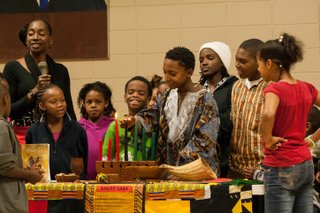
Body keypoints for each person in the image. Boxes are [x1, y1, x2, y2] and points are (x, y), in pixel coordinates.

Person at [257, 33, 320, 213]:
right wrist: (313, 140)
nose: (259, 70)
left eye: (259, 65)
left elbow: (268, 113)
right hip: (305, 165)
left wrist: (267, 139)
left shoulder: (274, 88)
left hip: (281, 165)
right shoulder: (307, 87)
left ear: (269, 63)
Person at [3, 19, 76, 144]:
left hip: (57, 135)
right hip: (23, 136)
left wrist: (75, 133)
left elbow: (68, 108)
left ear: (50, 40)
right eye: (31, 34)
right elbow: (8, 111)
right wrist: (34, 92)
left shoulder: (61, 71)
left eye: (41, 34)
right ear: (26, 40)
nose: (35, 37)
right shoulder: (12, 67)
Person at [157, 46, 220, 175]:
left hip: (197, 173)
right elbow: (152, 117)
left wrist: (183, 164)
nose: (167, 77)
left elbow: (205, 139)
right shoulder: (165, 97)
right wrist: (135, 121)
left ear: (189, 72)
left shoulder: (205, 100)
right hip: (170, 172)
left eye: (172, 74)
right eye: (165, 72)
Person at [26, 83, 88, 213]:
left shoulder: (77, 129)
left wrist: (78, 179)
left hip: (71, 196)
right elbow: (30, 165)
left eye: (62, 100)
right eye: (53, 101)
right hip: (45, 196)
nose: (60, 104)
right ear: (42, 106)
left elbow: (83, 164)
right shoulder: (34, 131)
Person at [0, 73, 43, 213]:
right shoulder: (1, 126)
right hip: (6, 202)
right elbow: (5, 167)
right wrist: (30, 175)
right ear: (5, 100)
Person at [227, 39, 267, 179]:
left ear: (258, 63)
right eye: (237, 60)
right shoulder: (236, 86)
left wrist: (261, 169)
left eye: (243, 62)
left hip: (261, 169)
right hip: (236, 168)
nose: (237, 65)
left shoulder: (270, 87)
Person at [198, 41, 238, 177]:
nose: (204, 62)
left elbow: (231, 118)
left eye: (210, 58)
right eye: (201, 59)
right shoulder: (198, 89)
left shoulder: (234, 86)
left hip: (226, 158)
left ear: (222, 61)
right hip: (201, 157)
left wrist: (207, 125)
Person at [102, 76, 158, 161]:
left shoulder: (152, 125)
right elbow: (106, 158)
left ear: (148, 99)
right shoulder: (115, 125)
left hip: (146, 172)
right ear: (125, 97)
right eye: (131, 92)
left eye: (141, 93)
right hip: (120, 172)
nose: (135, 95)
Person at [77, 81, 115, 180]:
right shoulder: (78, 127)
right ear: (83, 104)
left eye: (98, 101)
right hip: (84, 181)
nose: (93, 105)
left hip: (108, 180)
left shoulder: (113, 125)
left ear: (106, 103)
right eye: (89, 102)